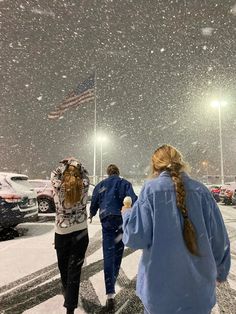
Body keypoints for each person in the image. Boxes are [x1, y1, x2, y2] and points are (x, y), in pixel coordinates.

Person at [121, 145, 231, 314]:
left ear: (155, 166)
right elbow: (219, 239)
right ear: (181, 163)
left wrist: (127, 214)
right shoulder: (201, 191)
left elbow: (136, 237)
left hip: (160, 295)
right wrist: (221, 272)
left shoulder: (151, 191)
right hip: (198, 296)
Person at [89, 164, 137, 311]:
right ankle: (113, 278)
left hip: (107, 221)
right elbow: (133, 200)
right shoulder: (124, 184)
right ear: (118, 172)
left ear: (108, 173)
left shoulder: (101, 185)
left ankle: (110, 293)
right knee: (118, 253)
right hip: (120, 220)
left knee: (108, 254)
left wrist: (92, 213)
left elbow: (94, 201)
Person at [51, 157, 90, 314]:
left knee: (64, 269)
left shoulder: (58, 186)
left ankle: (68, 292)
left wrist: (65, 165)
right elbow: (85, 174)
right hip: (80, 232)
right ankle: (70, 307)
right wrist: (76, 162)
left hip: (62, 234)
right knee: (74, 271)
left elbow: (54, 173)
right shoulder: (84, 186)